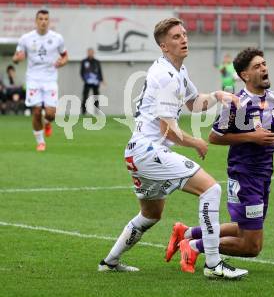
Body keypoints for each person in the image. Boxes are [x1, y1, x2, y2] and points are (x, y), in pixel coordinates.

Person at [98, 18, 248, 279]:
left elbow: (194, 103)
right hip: (149, 150)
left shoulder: (178, 71)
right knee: (211, 189)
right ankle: (213, 265)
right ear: (164, 46)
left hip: (138, 152)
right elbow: (168, 130)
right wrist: (196, 142)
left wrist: (217, 96)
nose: (184, 39)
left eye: (184, 34)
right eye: (177, 37)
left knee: (150, 214)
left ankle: (109, 262)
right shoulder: (165, 76)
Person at [165, 47, 274, 271]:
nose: (264, 68)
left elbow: (273, 142)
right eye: (257, 66)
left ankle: (187, 233)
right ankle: (194, 246)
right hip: (244, 174)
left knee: (247, 227)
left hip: (264, 173)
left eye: (264, 64)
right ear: (245, 75)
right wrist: (252, 136)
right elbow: (214, 137)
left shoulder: (273, 99)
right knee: (251, 246)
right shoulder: (236, 103)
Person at [12, 10, 68, 151]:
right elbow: (16, 57)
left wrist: (62, 62)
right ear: (36, 21)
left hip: (50, 79)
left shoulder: (57, 38)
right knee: (36, 112)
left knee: (51, 113)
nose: (43, 21)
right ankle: (40, 142)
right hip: (33, 79)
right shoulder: (26, 38)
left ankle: (48, 122)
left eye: (46, 19)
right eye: (41, 19)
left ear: (49, 21)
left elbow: (66, 56)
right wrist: (17, 59)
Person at [80, 48, 103, 115]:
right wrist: (85, 79)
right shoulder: (84, 61)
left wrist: (101, 80)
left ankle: (96, 111)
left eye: (91, 52)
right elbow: (82, 72)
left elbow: (99, 72)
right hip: (87, 83)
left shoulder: (97, 62)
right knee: (85, 96)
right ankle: (83, 112)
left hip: (95, 83)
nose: (90, 53)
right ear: (87, 53)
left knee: (96, 97)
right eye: (89, 52)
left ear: (93, 53)